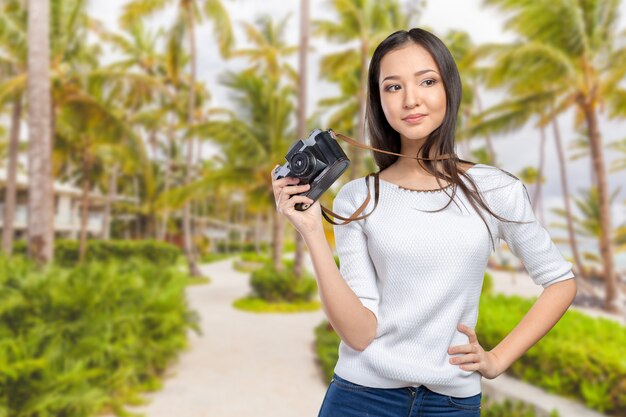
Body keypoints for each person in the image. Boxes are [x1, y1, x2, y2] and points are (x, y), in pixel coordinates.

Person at [270, 28, 577, 417]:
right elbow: (360, 333)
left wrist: (497, 360)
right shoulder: (357, 197)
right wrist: (312, 231)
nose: (410, 100)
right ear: (379, 101)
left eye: (427, 81)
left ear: (449, 87)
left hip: (451, 403)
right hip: (361, 398)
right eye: (392, 87)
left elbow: (560, 281)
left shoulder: (494, 189)